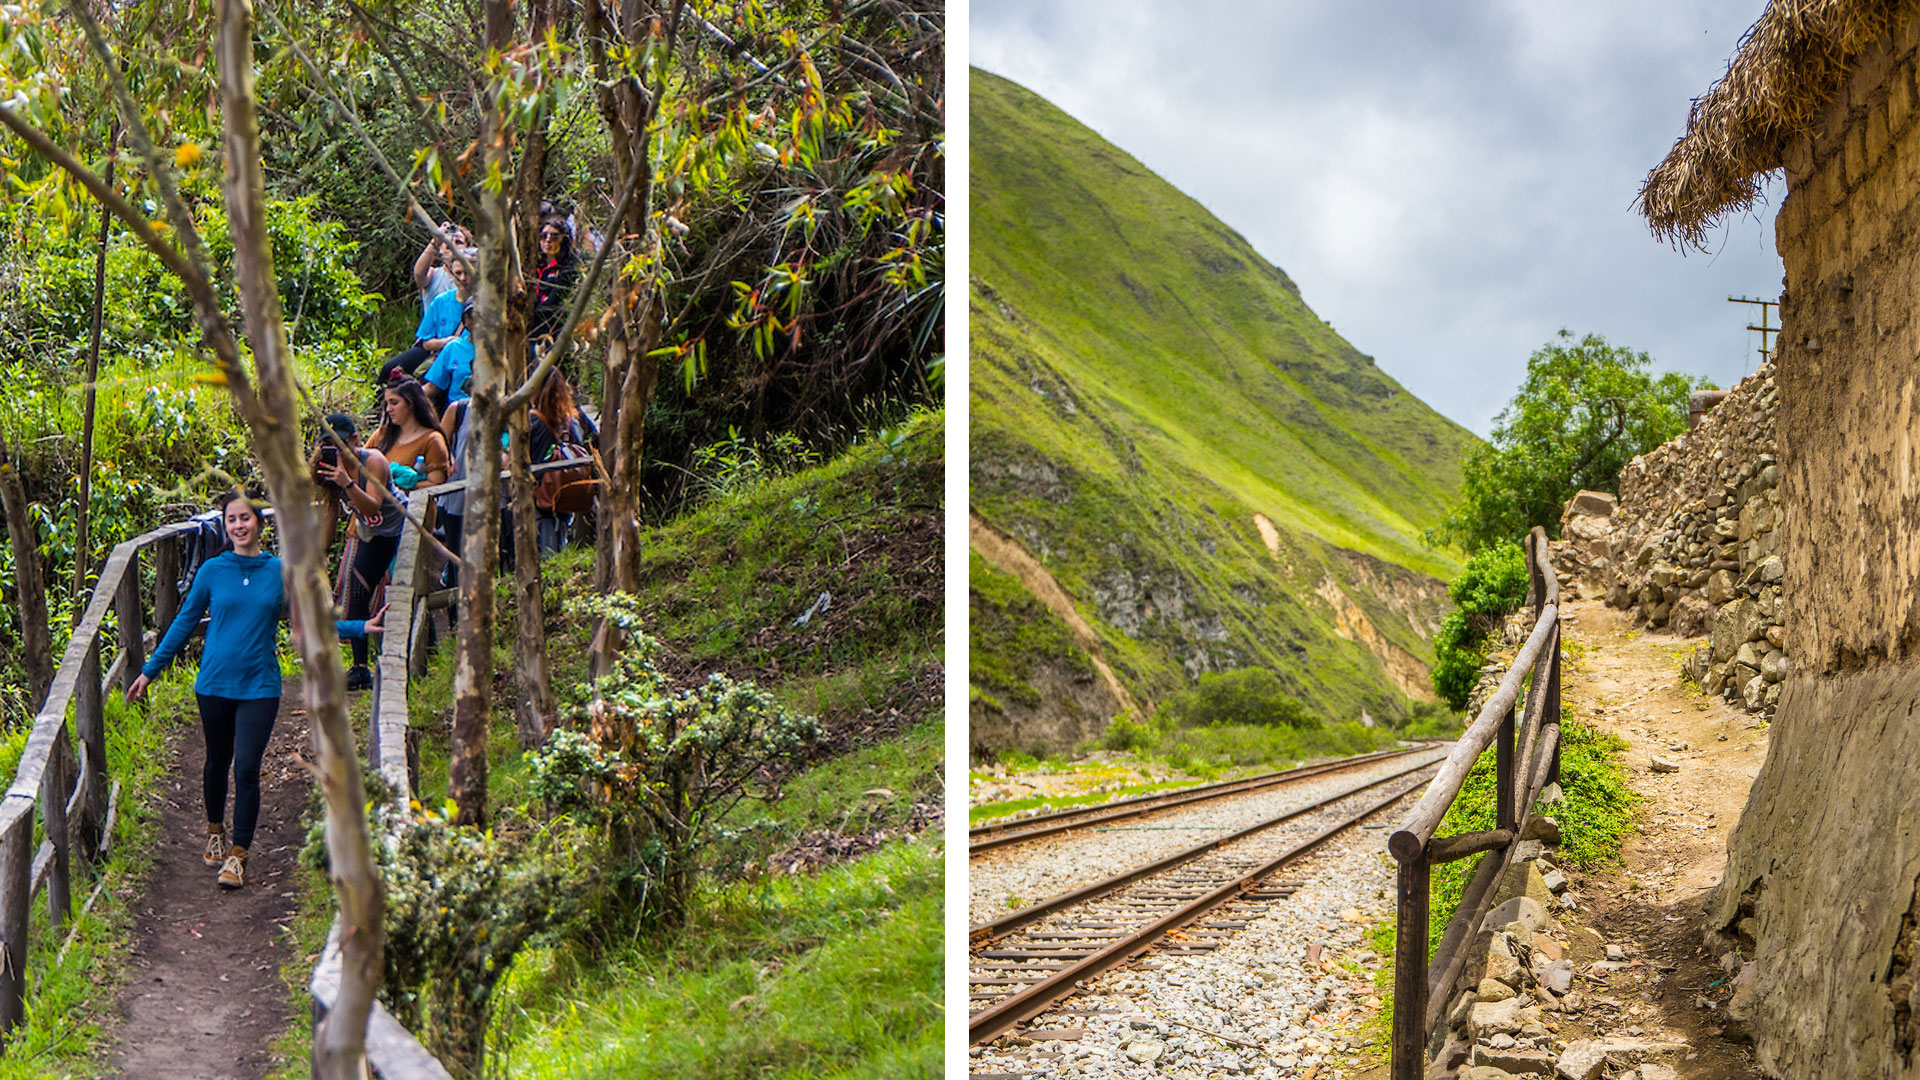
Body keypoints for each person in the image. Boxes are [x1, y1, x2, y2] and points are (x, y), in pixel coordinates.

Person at [127, 490, 283, 890]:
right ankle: (215, 828)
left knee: (246, 768)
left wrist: (357, 629)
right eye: (232, 519)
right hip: (214, 684)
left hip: (260, 685)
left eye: (245, 518)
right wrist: (150, 670)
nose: (239, 526)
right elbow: (184, 622)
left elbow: (309, 622)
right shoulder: (212, 571)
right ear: (225, 526)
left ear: (259, 523)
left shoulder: (280, 571)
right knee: (217, 760)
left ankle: (237, 856)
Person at [319, 422, 401, 692]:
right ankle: (360, 669)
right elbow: (331, 510)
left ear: (355, 439)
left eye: (341, 444)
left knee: (403, 591)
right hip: (371, 535)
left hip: (398, 530)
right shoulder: (328, 469)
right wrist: (322, 552)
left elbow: (372, 503)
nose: (337, 451)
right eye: (329, 445)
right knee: (356, 591)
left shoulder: (373, 461)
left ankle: (421, 653)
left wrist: (348, 483)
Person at [380, 252, 474, 384]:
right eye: (458, 273)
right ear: (451, 274)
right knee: (389, 370)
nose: (463, 278)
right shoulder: (441, 301)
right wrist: (446, 342)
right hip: (439, 354)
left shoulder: (485, 304)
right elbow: (425, 342)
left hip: (468, 359)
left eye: (467, 273)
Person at [371, 376, 451, 491]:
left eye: (394, 403)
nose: (389, 409)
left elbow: (437, 484)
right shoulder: (382, 434)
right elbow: (361, 463)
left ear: (411, 403)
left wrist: (410, 484)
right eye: (387, 404)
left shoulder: (432, 440)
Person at [529, 218, 577, 351]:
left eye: (554, 236)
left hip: (553, 333)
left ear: (564, 239)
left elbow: (553, 304)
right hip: (530, 333)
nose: (548, 240)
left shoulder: (568, 269)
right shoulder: (534, 266)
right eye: (543, 236)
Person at [421, 300, 476, 412]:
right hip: (458, 412)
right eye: (471, 316)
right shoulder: (454, 347)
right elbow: (432, 387)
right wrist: (406, 395)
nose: (476, 321)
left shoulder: (502, 349)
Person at [412, 222, 472, 311]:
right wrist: (436, 240)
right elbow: (418, 274)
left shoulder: (473, 277)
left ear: (467, 249)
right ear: (440, 248)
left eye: (458, 242)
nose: (452, 245)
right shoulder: (432, 274)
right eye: (448, 242)